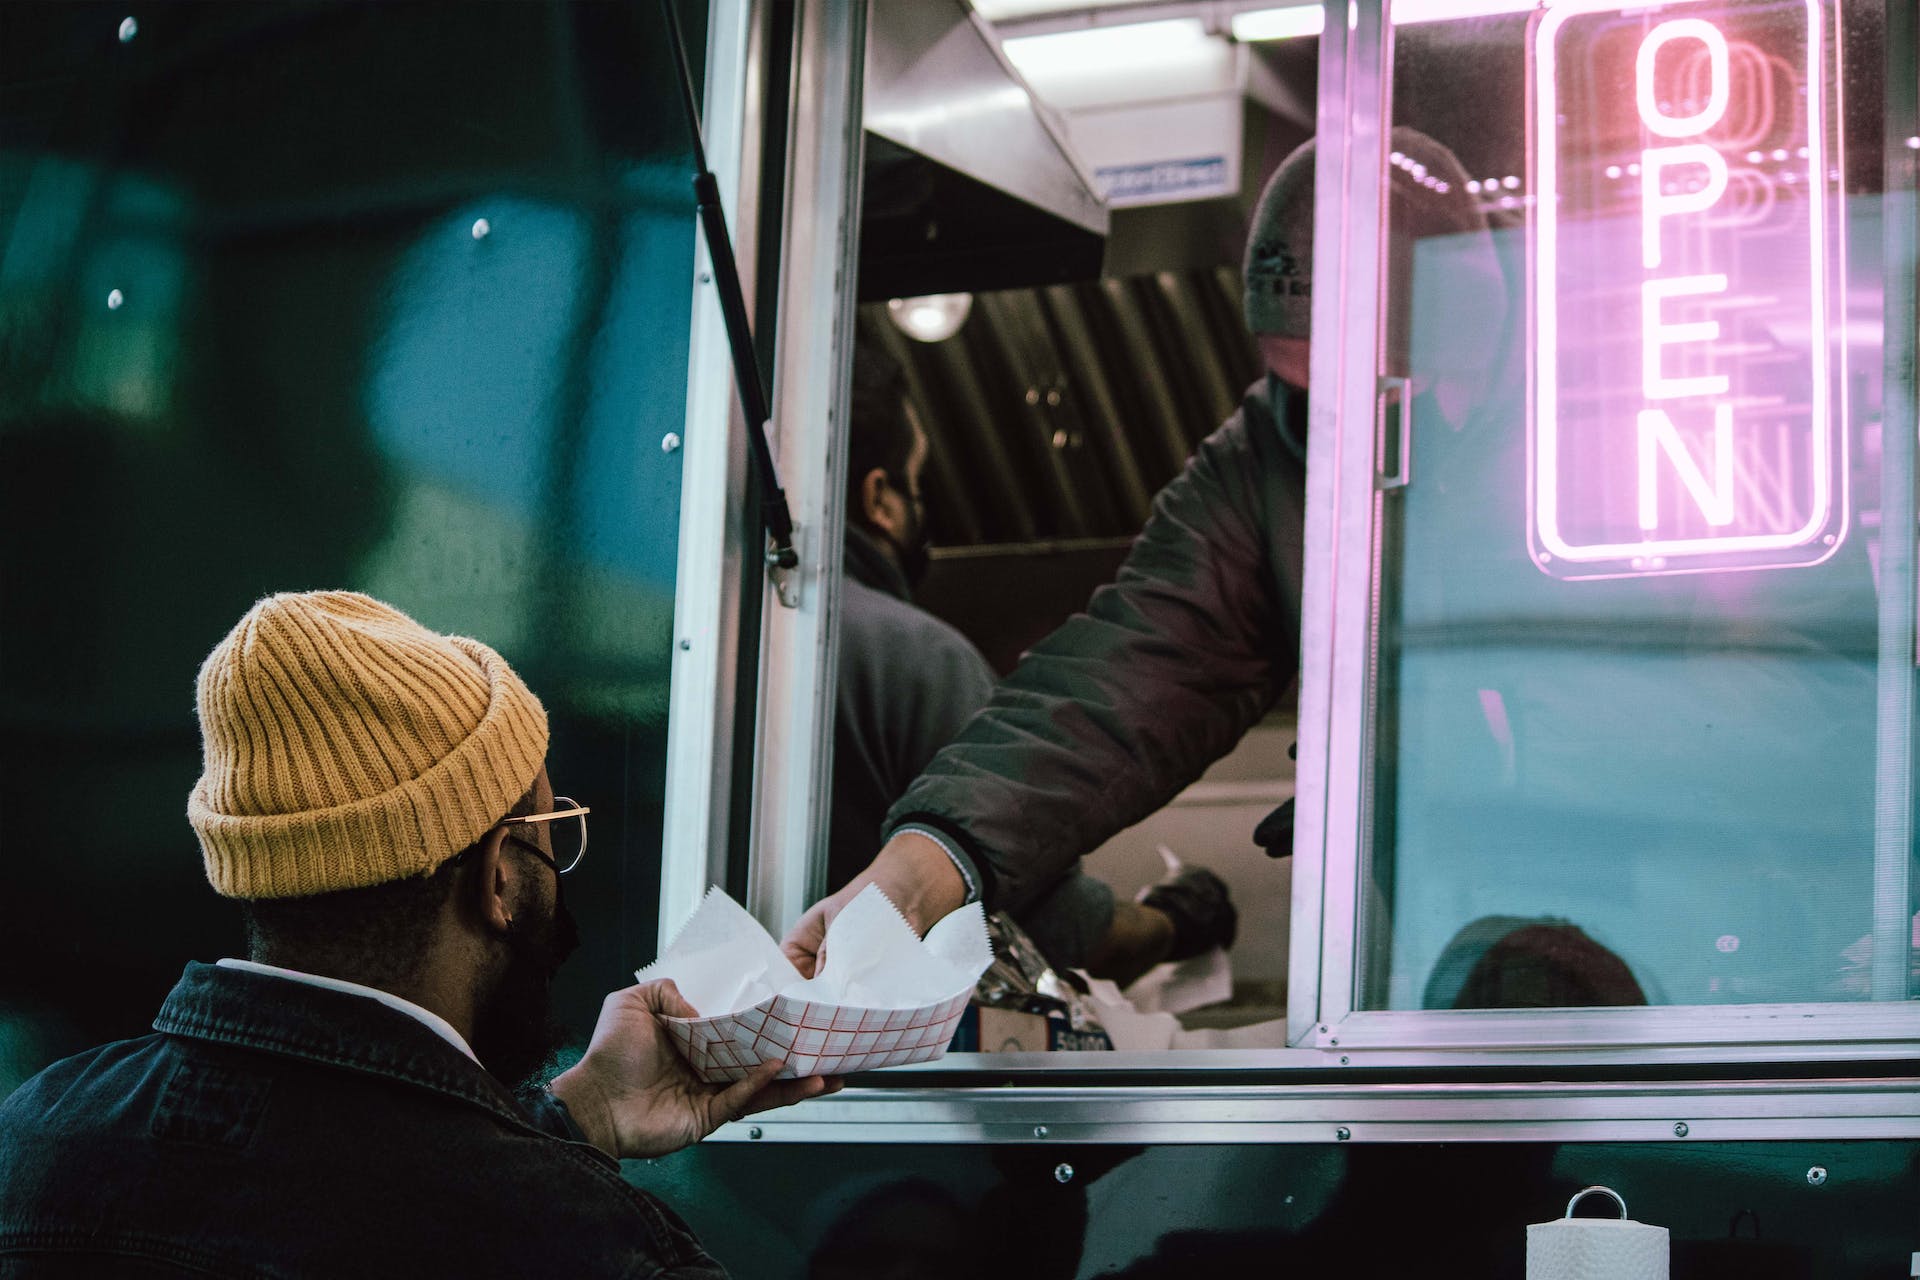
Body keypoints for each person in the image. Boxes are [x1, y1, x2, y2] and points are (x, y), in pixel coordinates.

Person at [785, 131, 1487, 977]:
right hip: (1435, 946)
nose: (1329, 420)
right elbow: (1120, 681)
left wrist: (1434, 767)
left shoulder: (1614, 408)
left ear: (1465, 318)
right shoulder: (1270, 454)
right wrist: (916, 875)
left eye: (1364, 383)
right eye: (1301, 386)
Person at [0, 590, 836, 1278]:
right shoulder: (588, 1248)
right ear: (500, 875)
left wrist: (569, 1120)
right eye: (551, 827)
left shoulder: (33, 1142)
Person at [831, 340, 1231, 985]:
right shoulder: (918, 659)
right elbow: (1054, 936)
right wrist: (1177, 921)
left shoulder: (702, 646)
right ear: (880, 499)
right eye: (919, 481)